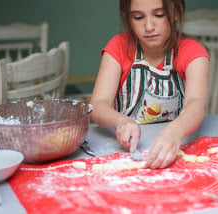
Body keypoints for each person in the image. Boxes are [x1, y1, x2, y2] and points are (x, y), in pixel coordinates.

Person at [90, 0, 210, 169]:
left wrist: (175, 131)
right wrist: (121, 122)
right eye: (138, 17)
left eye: (159, 15)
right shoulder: (118, 47)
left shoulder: (192, 51)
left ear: (175, 12)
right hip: (126, 151)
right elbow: (97, 105)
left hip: (173, 146)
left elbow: (196, 103)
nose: (148, 26)